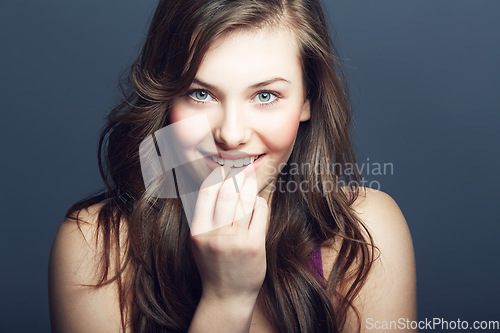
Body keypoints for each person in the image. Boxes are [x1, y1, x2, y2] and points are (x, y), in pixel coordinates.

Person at [49, 0, 416, 332]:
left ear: (308, 100)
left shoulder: (361, 232)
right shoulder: (96, 246)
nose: (231, 134)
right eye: (201, 94)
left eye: (265, 95)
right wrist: (226, 300)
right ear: (166, 96)